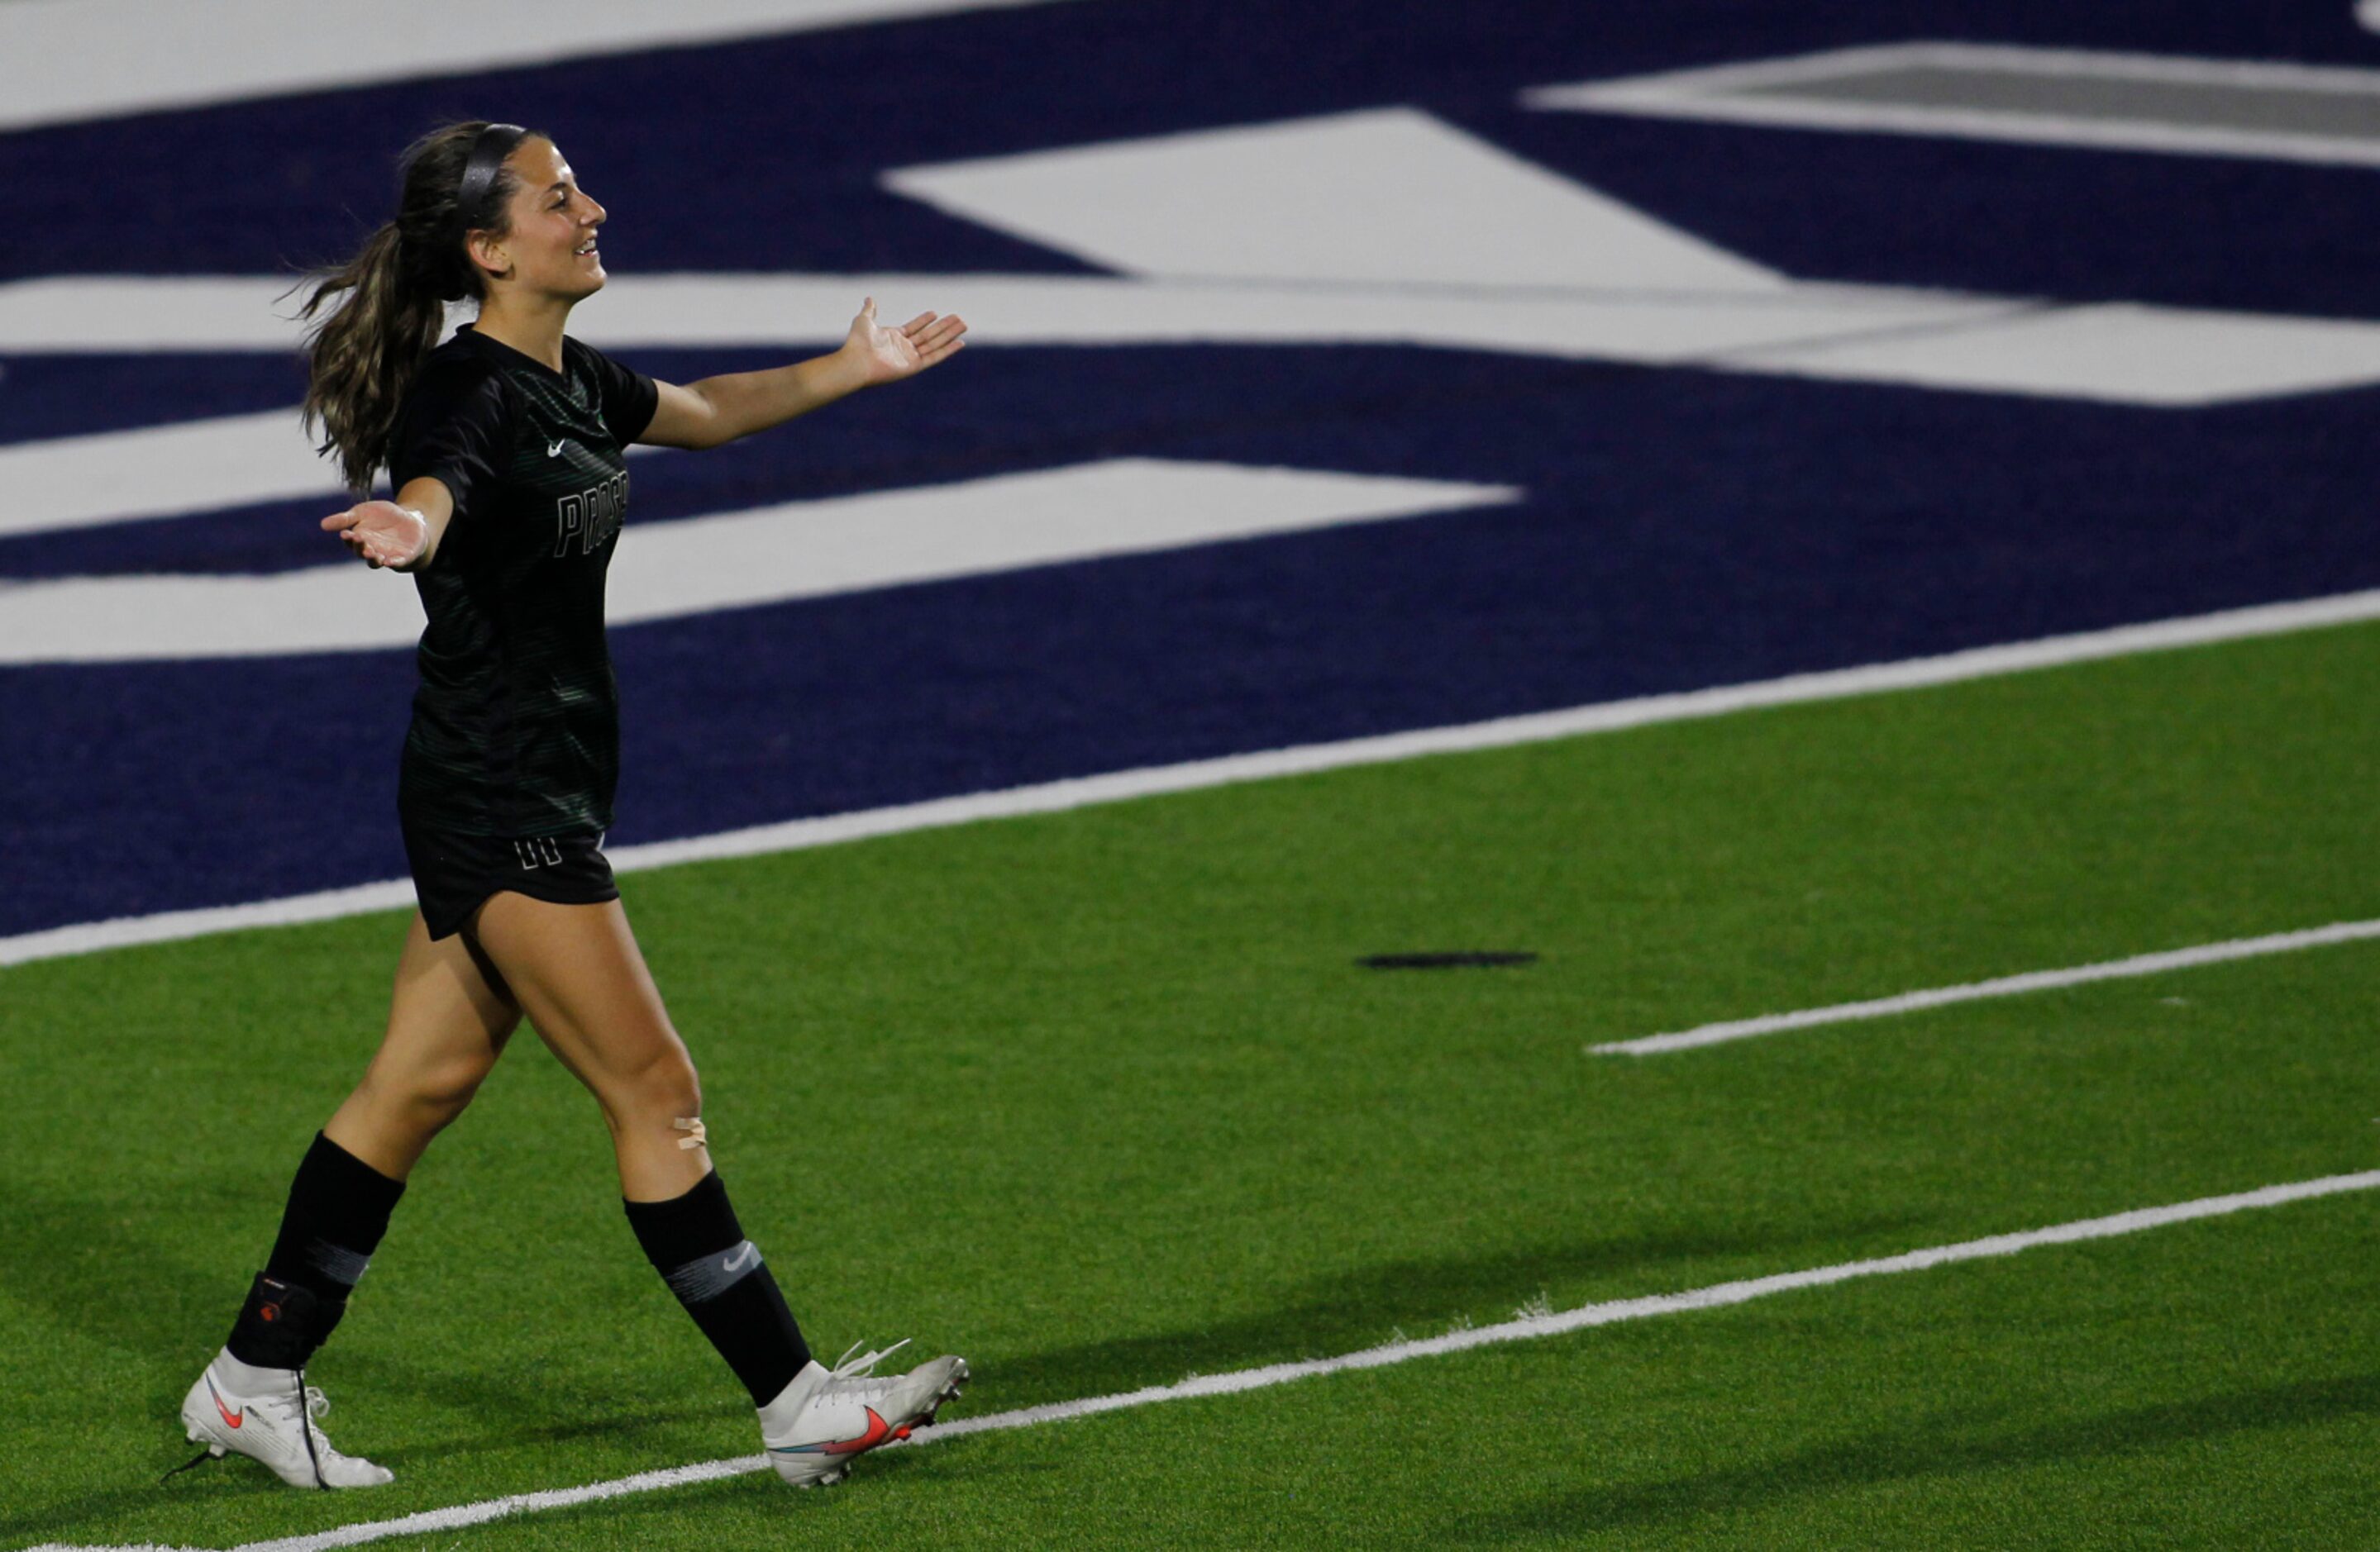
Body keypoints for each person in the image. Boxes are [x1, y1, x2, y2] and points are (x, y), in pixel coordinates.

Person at [172, 121, 970, 1492]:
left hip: (518, 779)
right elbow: (434, 482)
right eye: (558, 197)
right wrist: (411, 526)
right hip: (504, 800)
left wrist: (855, 364)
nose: (591, 207)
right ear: (490, 249)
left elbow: (706, 412)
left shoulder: (567, 374)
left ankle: (248, 1380)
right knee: (658, 1093)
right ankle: (795, 1403)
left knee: (413, 1086)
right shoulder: (466, 393)